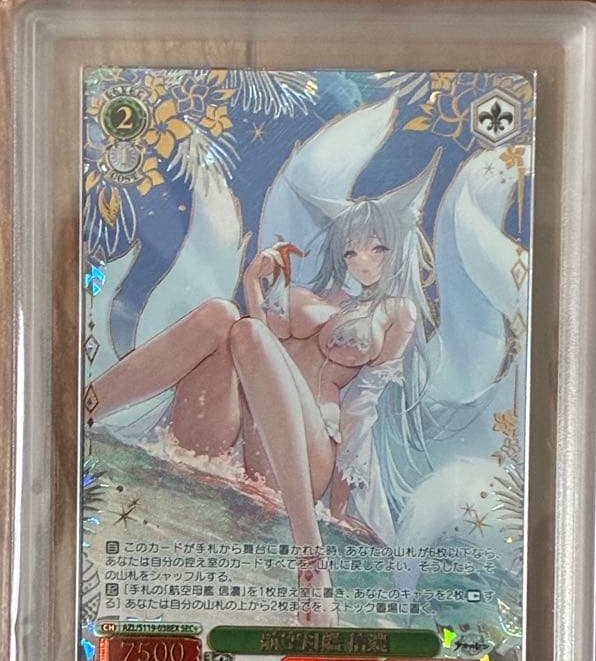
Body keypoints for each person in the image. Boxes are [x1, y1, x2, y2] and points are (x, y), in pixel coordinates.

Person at [92, 154, 440, 627]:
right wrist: (252, 284)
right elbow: (257, 355)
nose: (362, 261)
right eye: (351, 251)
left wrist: (343, 502)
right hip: (244, 435)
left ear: (398, 248)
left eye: (377, 248)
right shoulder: (313, 295)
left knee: (249, 332)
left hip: (309, 454)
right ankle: (80, 412)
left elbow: (364, 406)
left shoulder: (396, 312)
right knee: (222, 314)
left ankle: (311, 557)